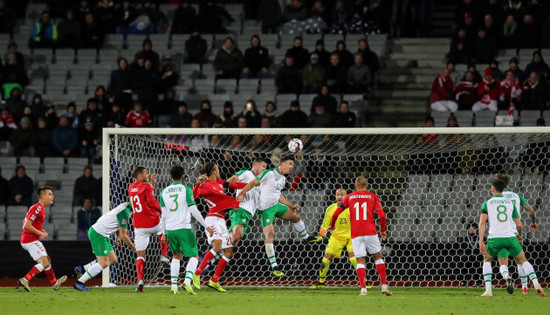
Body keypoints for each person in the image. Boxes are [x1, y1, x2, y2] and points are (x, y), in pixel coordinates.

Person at [236, 156, 322, 277]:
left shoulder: (282, 179)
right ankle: (274, 267)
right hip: (265, 210)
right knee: (270, 234)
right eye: (290, 164)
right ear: (282, 164)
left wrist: (290, 205)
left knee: (295, 217)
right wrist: (241, 194)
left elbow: (278, 194)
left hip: (276, 205)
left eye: (293, 165)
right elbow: (253, 183)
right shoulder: (268, 173)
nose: (292, 167)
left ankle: (307, 238)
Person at [478, 178, 545, 297]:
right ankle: (536, 284)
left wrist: (481, 240)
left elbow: (482, 222)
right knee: (523, 261)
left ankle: (489, 290)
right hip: (510, 236)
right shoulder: (511, 203)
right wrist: (519, 234)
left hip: (494, 239)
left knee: (487, 260)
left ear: (493, 189)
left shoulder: (487, 203)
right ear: (504, 189)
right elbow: (519, 223)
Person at [328, 176, 390, 297]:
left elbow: (336, 213)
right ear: (367, 186)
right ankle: (384, 286)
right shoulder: (373, 197)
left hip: (356, 233)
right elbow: (382, 216)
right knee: (378, 257)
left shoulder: (349, 197)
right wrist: (382, 230)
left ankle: (363, 289)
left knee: (360, 260)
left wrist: (332, 225)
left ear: (355, 186)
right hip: (370, 232)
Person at [191, 162, 247, 292]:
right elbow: (193, 197)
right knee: (217, 247)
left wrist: (251, 186)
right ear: (214, 172)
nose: (219, 170)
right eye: (217, 168)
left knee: (229, 252)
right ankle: (197, 273)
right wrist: (197, 184)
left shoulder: (220, 183)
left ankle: (214, 280)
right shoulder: (205, 186)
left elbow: (235, 185)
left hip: (221, 220)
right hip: (212, 219)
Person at [160, 165, 212, 295]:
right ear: (183, 176)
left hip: (170, 229)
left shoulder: (164, 192)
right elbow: (194, 210)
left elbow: (163, 215)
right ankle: (187, 282)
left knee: (176, 256)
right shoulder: (186, 190)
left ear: (171, 176)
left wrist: (163, 232)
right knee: (194, 255)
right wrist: (206, 225)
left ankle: (173, 287)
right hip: (184, 228)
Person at [73, 201, 136, 291]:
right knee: (104, 263)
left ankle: (83, 268)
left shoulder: (125, 207)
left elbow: (119, 225)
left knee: (113, 259)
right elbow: (124, 235)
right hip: (99, 234)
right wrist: (135, 249)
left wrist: (117, 237)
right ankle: (80, 282)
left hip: (103, 234)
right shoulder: (125, 212)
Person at [311, 188, 364, 288]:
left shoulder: (352, 208)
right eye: (337, 195)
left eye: (342, 195)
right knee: (326, 260)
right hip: (336, 237)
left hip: (351, 236)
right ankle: (321, 282)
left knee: (353, 258)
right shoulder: (330, 209)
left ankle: (364, 282)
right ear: (335, 196)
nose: (339, 197)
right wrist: (322, 233)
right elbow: (324, 225)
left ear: (346, 196)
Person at [494, 174, 538, 295]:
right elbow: (531, 210)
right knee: (520, 261)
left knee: (503, 262)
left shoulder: (496, 197)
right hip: (515, 232)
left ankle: (507, 276)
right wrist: (533, 222)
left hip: (501, 233)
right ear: (507, 184)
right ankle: (525, 288)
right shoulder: (516, 196)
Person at [17, 186, 67, 292]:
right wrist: (40, 233)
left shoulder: (38, 208)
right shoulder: (38, 208)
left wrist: (39, 229)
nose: (52, 196)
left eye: (52, 194)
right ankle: (26, 279)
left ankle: (54, 283)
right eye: (50, 194)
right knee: (45, 263)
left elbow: (24, 223)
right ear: (42, 196)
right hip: (30, 240)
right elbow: (26, 225)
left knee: (47, 260)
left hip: (28, 239)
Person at [128, 166, 168, 292]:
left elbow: (142, 193)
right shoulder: (146, 187)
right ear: (140, 175)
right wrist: (164, 211)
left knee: (140, 255)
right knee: (164, 226)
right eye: (145, 173)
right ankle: (164, 254)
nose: (147, 174)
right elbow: (151, 202)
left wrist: (151, 185)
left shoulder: (130, 187)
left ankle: (140, 280)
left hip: (139, 226)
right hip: (152, 222)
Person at [228, 157, 268, 247]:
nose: (264, 169)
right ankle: (216, 244)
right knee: (235, 237)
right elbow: (234, 178)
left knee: (233, 243)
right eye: (263, 166)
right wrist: (223, 187)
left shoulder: (259, 182)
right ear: (256, 165)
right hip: (241, 209)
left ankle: (214, 256)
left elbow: (257, 201)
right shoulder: (247, 173)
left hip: (248, 214)